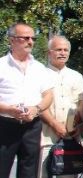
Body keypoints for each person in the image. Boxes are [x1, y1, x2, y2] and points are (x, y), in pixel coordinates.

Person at [0, 23, 55, 178]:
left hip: (32, 126)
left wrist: (36, 109)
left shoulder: (39, 68)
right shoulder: (1, 65)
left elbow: (48, 95)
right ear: (11, 40)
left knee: (29, 171)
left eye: (33, 38)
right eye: (25, 38)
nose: (30, 41)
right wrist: (9, 110)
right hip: (5, 126)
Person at [38, 35, 83, 178]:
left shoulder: (76, 76)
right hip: (45, 137)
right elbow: (38, 104)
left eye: (65, 50)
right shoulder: (39, 74)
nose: (62, 53)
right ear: (49, 52)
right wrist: (54, 124)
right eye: (58, 49)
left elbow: (81, 104)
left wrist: (77, 126)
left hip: (70, 139)